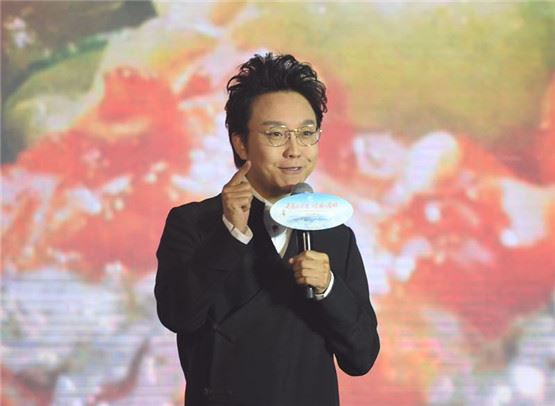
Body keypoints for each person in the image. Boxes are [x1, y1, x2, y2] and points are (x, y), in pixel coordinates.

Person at [155, 53, 380, 406]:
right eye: (276, 134)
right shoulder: (194, 223)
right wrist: (229, 234)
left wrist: (328, 287)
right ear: (240, 142)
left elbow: (361, 358)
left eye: (306, 134)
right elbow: (178, 315)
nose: (295, 150)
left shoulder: (335, 235)